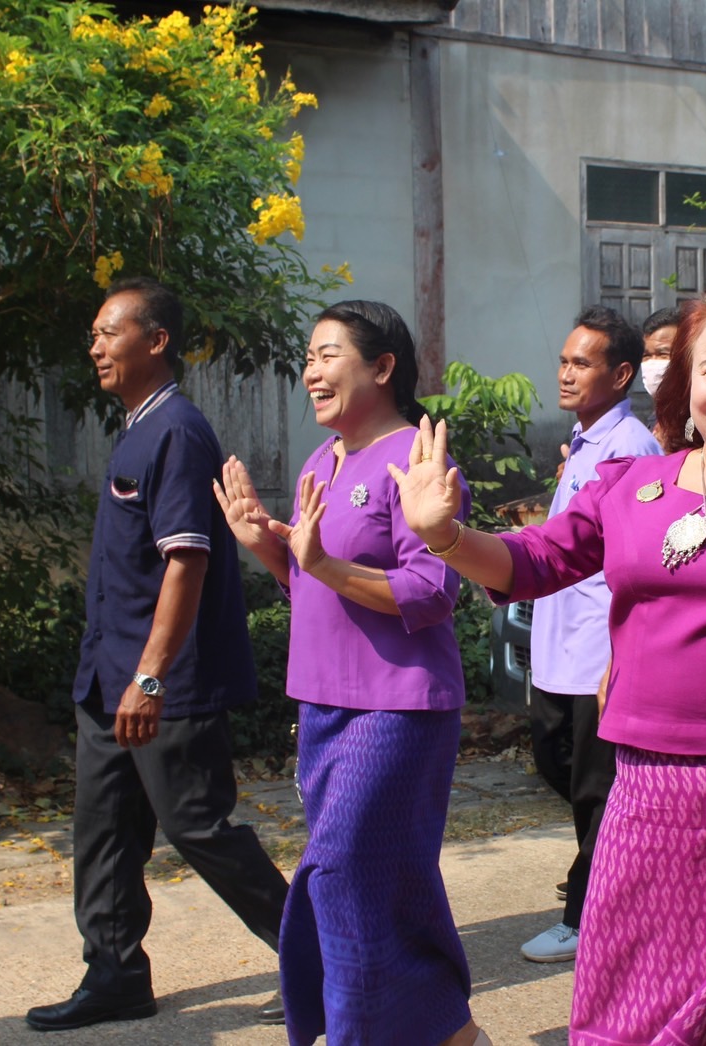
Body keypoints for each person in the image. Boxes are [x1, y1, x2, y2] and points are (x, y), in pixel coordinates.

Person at [388, 286, 706, 1043]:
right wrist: (446, 535)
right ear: (685, 385)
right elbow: (534, 561)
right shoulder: (631, 485)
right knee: (628, 1016)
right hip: (648, 796)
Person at [213, 301, 488, 1046]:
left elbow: (431, 593)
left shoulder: (416, 460)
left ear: (383, 367)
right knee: (383, 888)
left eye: (327, 354)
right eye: (308, 356)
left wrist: (324, 562)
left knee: (338, 878)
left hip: (397, 710)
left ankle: (348, 1029)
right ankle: (451, 1032)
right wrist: (268, 546)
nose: (310, 370)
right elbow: (311, 588)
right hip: (323, 705)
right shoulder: (319, 462)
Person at [27, 277, 289, 1032]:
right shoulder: (138, 428)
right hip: (106, 680)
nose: (96, 346)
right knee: (104, 832)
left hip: (161, 683)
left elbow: (187, 562)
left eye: (110, 332)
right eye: (95, 334)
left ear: (156, 341)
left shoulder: (178, 430)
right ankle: (114, 974)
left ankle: (317, 951)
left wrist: (149, 677)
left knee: (198, 826)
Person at [520, 306, 662, 964]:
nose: (566, 373)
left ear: (622, 374)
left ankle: (588, 914)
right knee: (558, 763)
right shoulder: (582, 443)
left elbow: (638, 557)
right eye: (564, 360)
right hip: (558, 644)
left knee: (595, 788)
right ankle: (629, 865)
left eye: (583, 363)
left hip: (598, 651)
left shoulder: (631, 447)